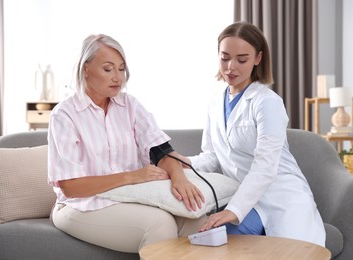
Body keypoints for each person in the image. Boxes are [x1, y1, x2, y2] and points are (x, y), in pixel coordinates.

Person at [47, 34, 207, 253]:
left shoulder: (129, 105)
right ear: (86, 69)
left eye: (121, 69)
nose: (117, 77)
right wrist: (132, 177)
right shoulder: (65, 115)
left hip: (130, 198)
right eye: (108, 69)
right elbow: (71, 186)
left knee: (198, 219)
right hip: (81, 205)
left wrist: (180, 179)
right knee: (160, 225)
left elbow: (161, 151)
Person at [178, 22, 326, 247]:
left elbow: (265, 165)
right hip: (245, 198)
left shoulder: (267, 102)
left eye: (241, 59)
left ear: (258, 58)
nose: (230, 67)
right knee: (206, 243)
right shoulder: (214, 103)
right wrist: (184, 163)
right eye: (225, 57)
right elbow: (213, 156)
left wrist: (233, 211)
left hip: (280, 197)